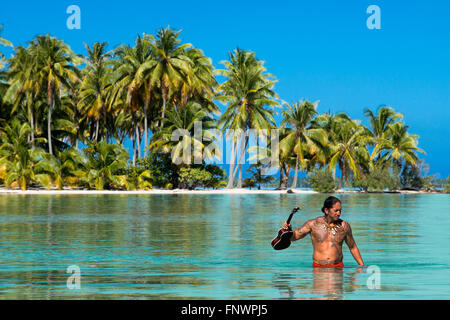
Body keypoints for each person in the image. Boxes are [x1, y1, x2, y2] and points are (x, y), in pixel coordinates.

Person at [282, 196, 365, 268]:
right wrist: (288, 230)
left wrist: (362, 266)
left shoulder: (344, 226)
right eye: (336, 210)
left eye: (340, 210)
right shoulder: (312, 224)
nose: (339, 213)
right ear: (326, 210)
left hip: (338, 268)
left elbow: (353, 247)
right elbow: (294, 237)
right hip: (318, 269)